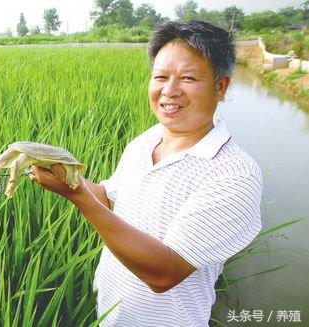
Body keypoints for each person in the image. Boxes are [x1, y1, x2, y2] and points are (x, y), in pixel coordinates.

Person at [29, 20, 263, 326]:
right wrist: (66, 175)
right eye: (161, 76)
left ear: (221, 86)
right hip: (111, 316)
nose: (170, 90)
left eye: (188, 78)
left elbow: (164, 272)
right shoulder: (146, 140)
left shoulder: (234, 174)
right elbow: (112, 200)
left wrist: (76, 195)